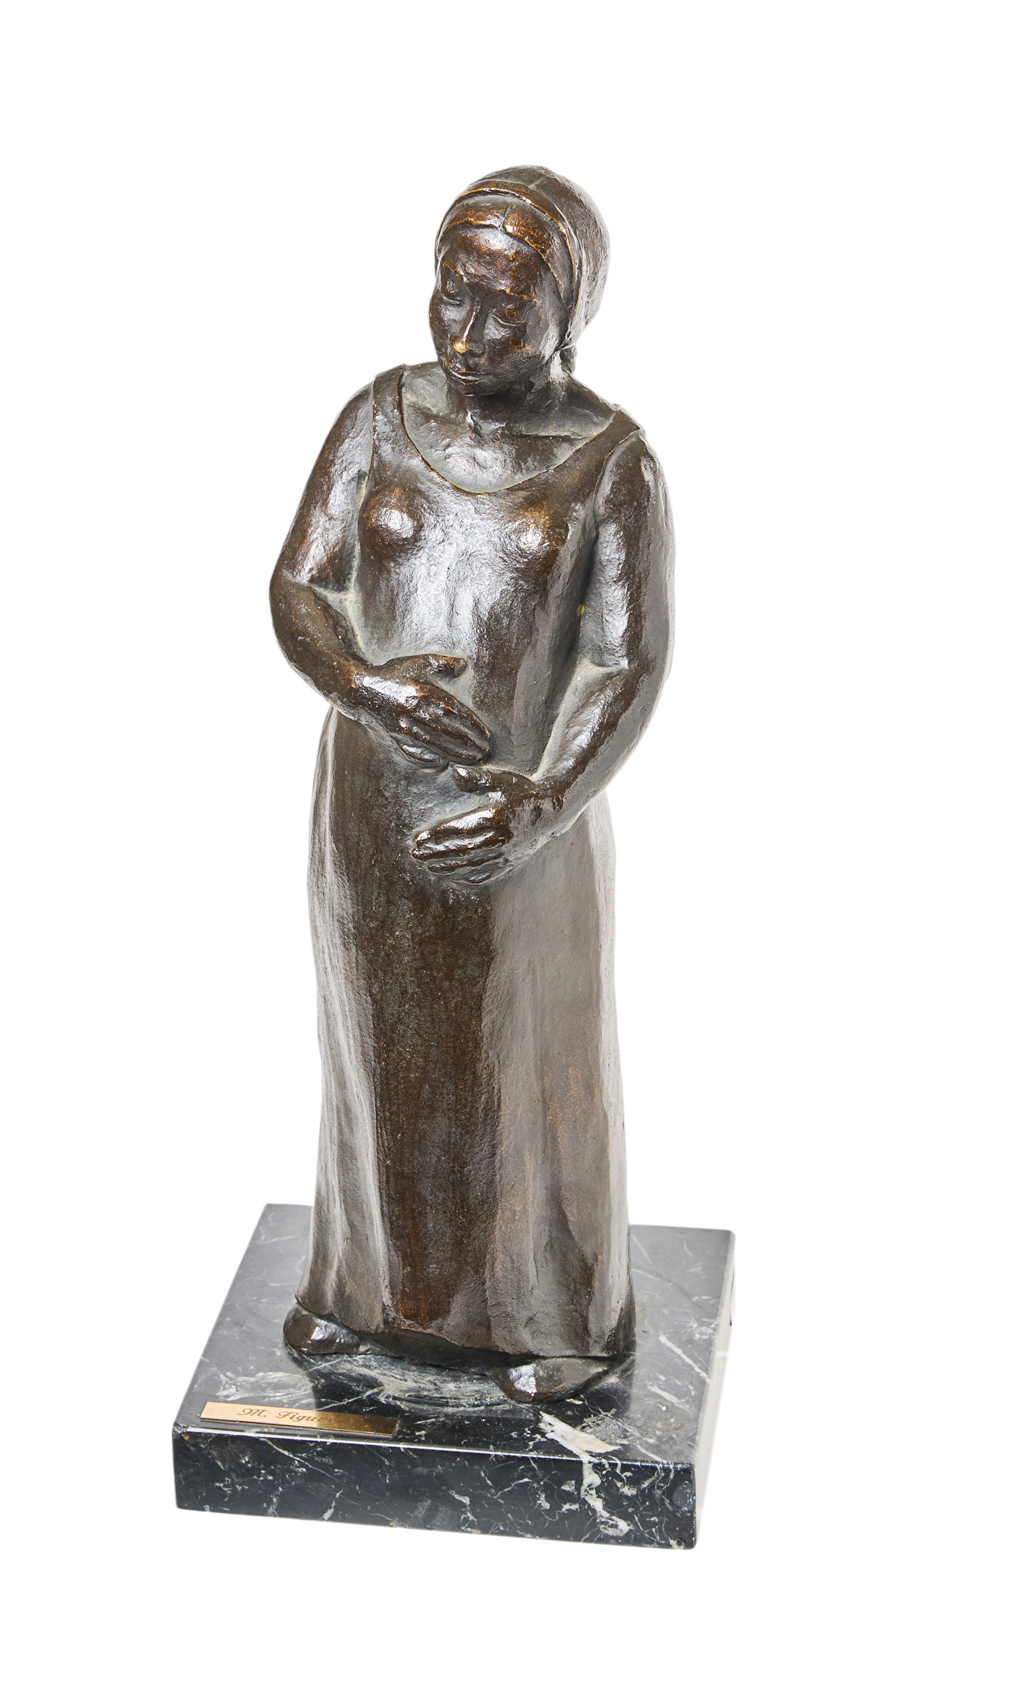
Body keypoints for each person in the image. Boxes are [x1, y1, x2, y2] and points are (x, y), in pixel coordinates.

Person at [269, 167, 673, 1404]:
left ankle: (555, 1313)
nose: (470, 330)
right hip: (370, 806)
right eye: (453, 293)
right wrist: (364, 687)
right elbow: (298, 586)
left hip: (521, 826)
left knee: (520, 1063)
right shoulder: (375, 416)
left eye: (506, 307)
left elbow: (626, 662)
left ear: (565, 311)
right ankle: (364, 1289)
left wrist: (541, 800)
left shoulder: (609, 461)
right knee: (375, 1051)